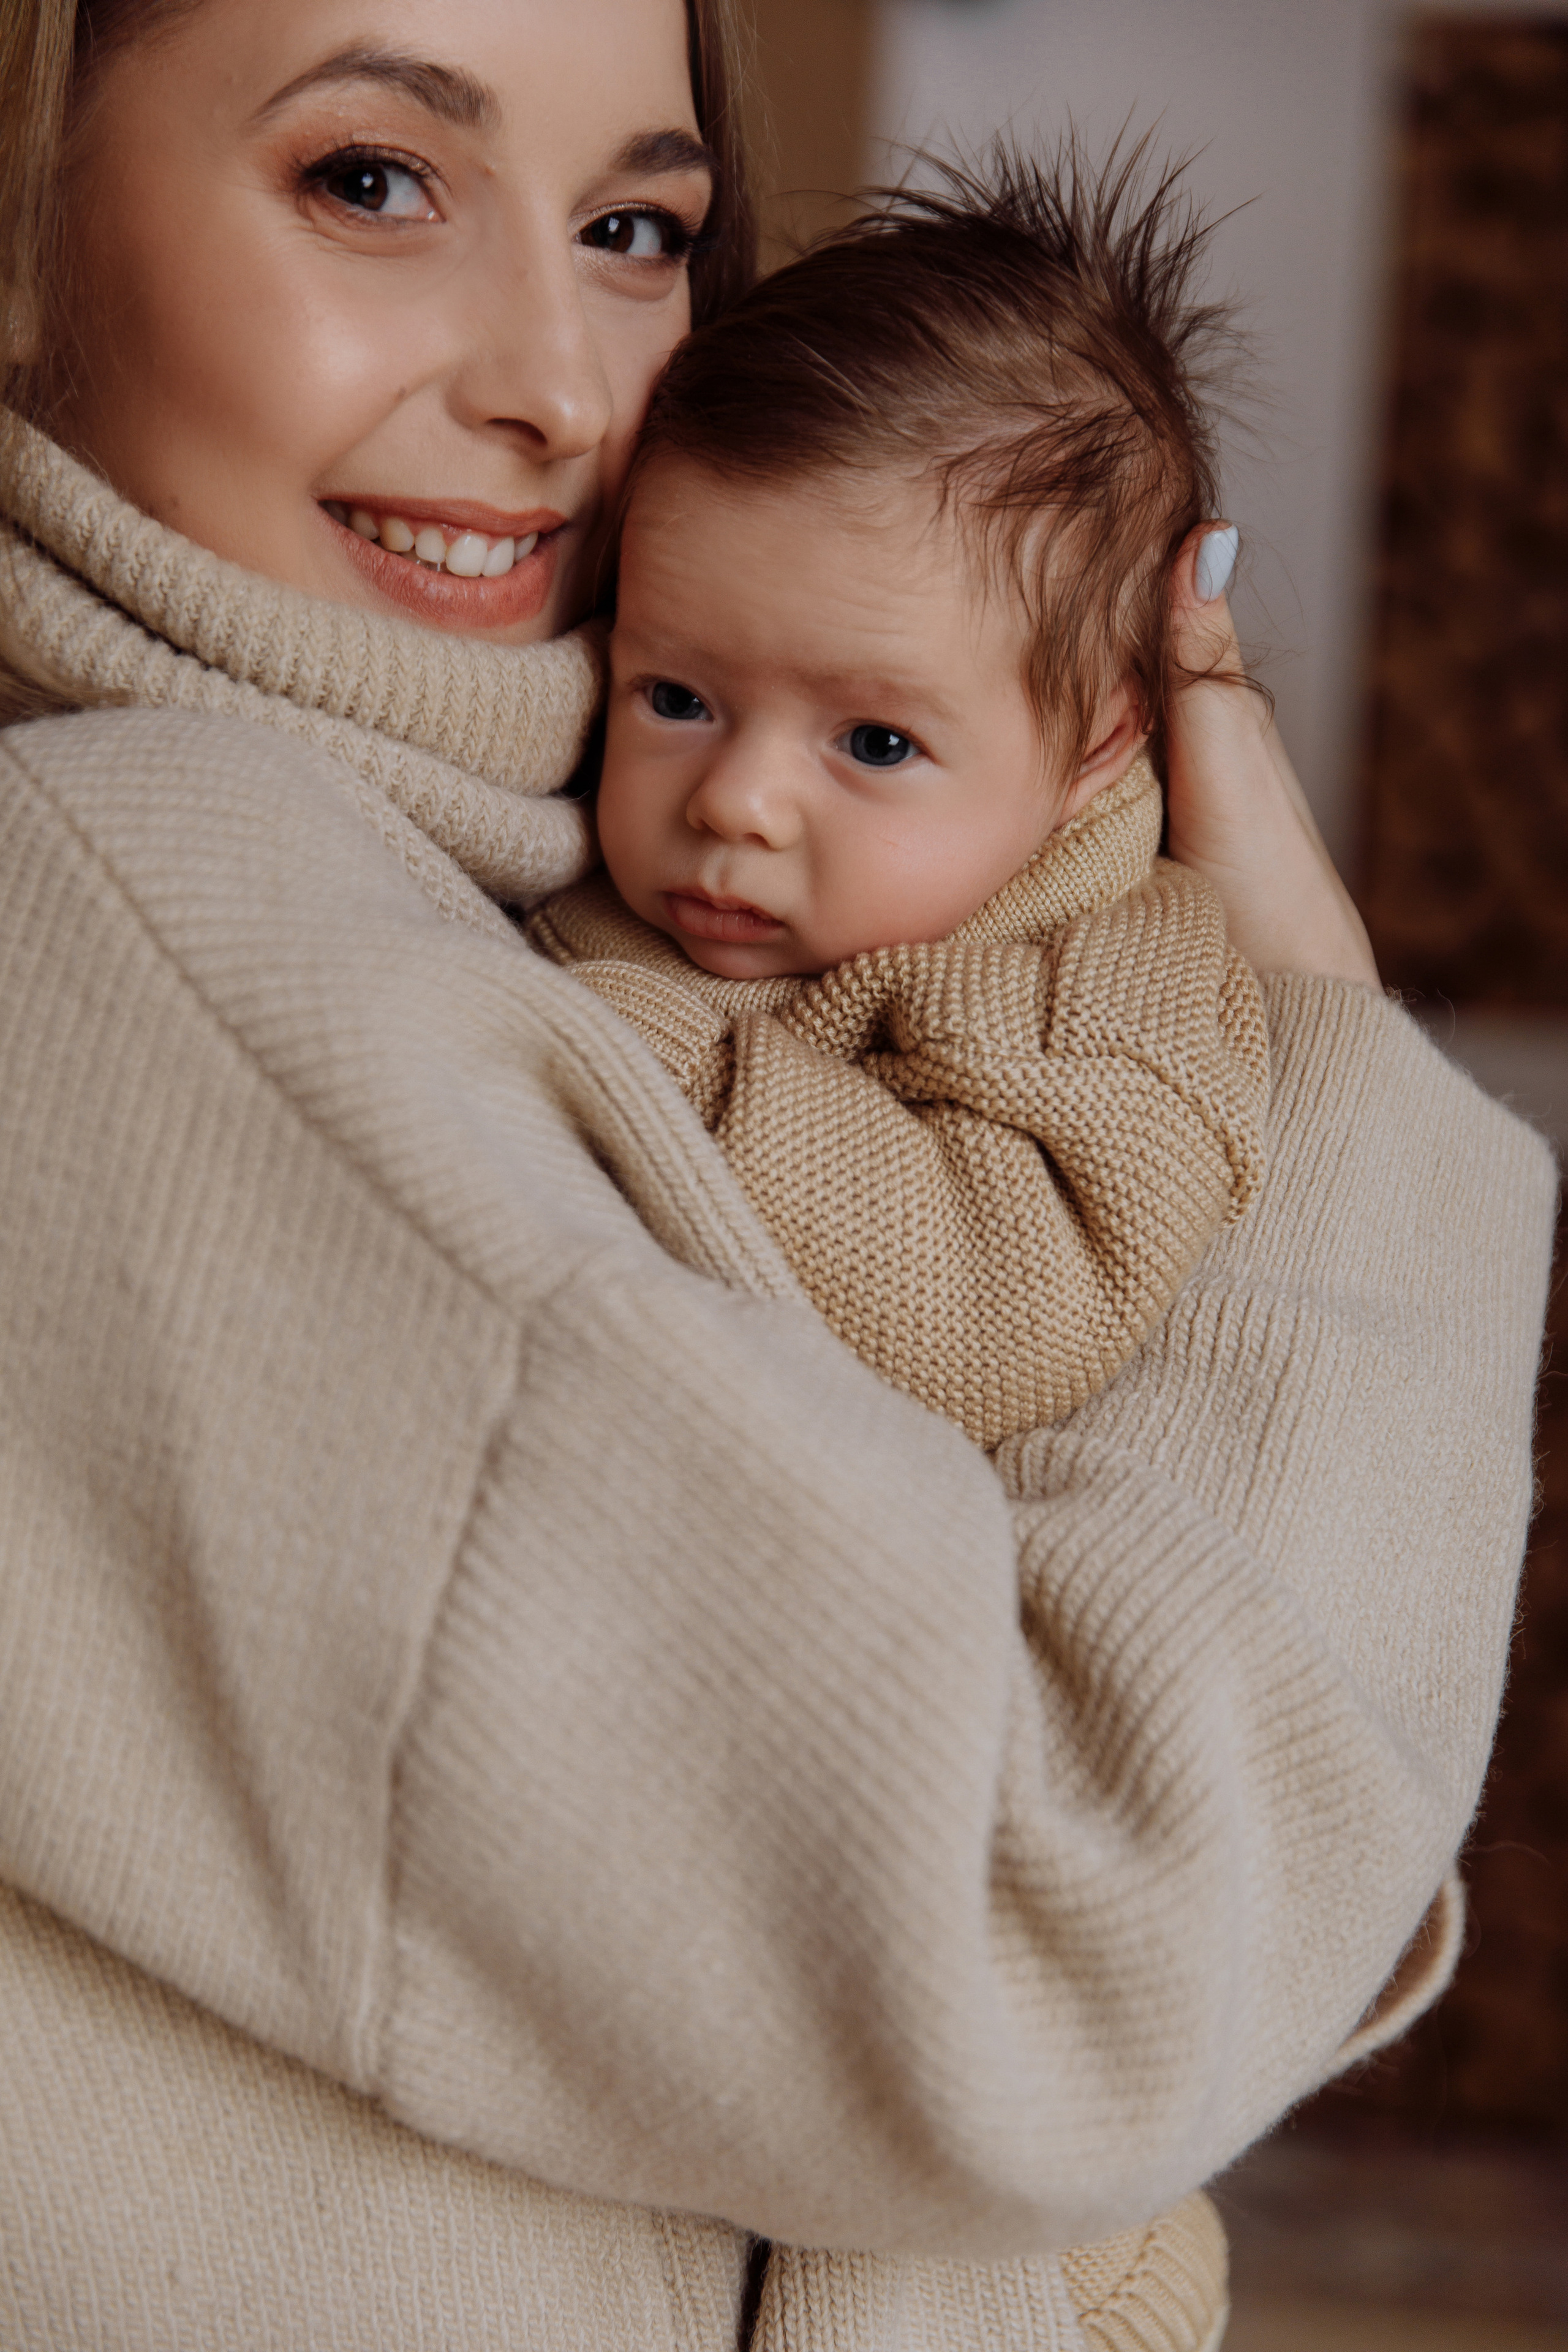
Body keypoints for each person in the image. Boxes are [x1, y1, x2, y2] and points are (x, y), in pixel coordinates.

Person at [0, 4, 1554, 2350]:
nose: (556, 379)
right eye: (373, 182)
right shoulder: (162, 909)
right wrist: (1337, 1088)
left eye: (639, 229)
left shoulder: (468, 894)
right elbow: (1079, 1948)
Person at [532, 150, 1273, 1449]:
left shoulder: (1111, 989)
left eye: (872, 742)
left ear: (1098, 746)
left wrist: (614, 1051)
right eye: (675, 699)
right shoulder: (600, 872)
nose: (735, 804)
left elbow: (995, 1320)